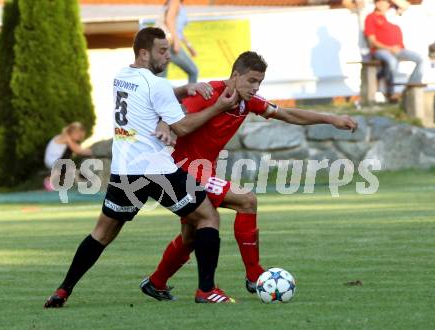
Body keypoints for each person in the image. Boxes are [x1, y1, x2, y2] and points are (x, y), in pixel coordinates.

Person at [44, 27, 239, 308]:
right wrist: (219, 107)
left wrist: (184, 89)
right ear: (144, 52)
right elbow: (181, 127)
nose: (168, 56)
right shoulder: (156, 85)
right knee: (208, 217)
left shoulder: (122, 76)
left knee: (101, 233)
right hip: (156, 170)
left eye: (169, 50)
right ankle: (206, 290)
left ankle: (63, 291)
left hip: (125, 172)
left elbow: (150, 96)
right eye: (163, 51)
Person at [139, 51, 358, 302]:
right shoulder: (208, 92)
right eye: (251, 80)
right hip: (183, 167)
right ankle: (253, 276)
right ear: (235, 76)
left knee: (192, 235)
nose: (255, 88)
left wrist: (331, 118)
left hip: (202, 168)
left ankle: (156, 282)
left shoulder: (247, 102)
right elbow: (172, 117)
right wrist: (166, 126)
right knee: (247, 200)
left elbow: (288, 114)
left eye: (260, 82)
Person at [364, 0, 423, 101]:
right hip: (381, 50)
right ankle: (394, 92)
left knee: (420, 58)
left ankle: (409, 87)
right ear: (377, 3)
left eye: (388, 2)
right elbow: (372, 42)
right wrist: (389, 48)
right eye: (384, 1)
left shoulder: (391, 14)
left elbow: (405, 5)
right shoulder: (371, 17)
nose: (387, 4)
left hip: (398, 49)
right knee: (391, 61)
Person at [43, 122, 92, 191]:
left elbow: (77, 148)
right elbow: (78, 150)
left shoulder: (65, 137)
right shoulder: (65, 138)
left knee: (68, 157)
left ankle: (53, 181)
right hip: (53, 161)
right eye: (79, 136)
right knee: (68, 156)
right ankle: (49, 180)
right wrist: (91, 151)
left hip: (54, 161)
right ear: (75, 132)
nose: (79, 139)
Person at [158, 0, 198, 83]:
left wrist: (189, 46)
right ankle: (192, 95)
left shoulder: (174, 3)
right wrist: (176, 42)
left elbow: (178, 30)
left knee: (161, 78)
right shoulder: (175, 1)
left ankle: (157, 95)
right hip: (170, 43)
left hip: (163, 44)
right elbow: (169, 20)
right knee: (193, 71)